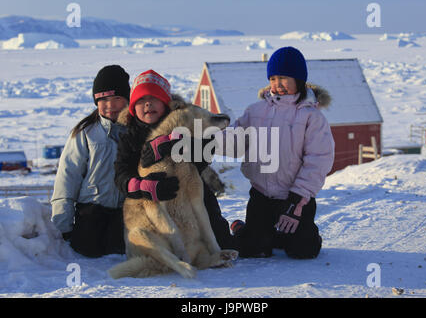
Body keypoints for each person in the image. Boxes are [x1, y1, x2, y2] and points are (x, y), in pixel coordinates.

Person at [222, 46, 335, 259]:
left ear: (299, 80)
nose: (277, 84)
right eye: (273, 78)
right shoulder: (255, 111)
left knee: (303, 251)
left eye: (283, 78)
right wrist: (206, 136)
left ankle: (295, 235)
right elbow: (234, 141)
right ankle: (246, 231)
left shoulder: (312, 117)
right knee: (252, 249)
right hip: (261, 196)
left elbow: (318, 161)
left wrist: (297, 202)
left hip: (294, 198)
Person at [114, 69, 236, 250]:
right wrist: (140, 186)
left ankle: (234, 232)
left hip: (191, 194)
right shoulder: (129, 136)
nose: (148, 104)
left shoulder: (184, 122)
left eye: (153, 98)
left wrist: (180, 146)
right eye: (141, 100)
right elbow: (121, 172)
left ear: (166, 103)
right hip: (155, 200)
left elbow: (206, 153)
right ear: (133, 107)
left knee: (223, 241)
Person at [51, 65, 131, 257]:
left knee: (120, 253)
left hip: (126, 213)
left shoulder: (136, 132)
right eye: (103, 99)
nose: (109, 105)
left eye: (116, 99)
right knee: (86, 253)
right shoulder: (85, 133)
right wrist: (63, 225)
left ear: (127, 100)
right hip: (91, 211)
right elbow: (67, 178)